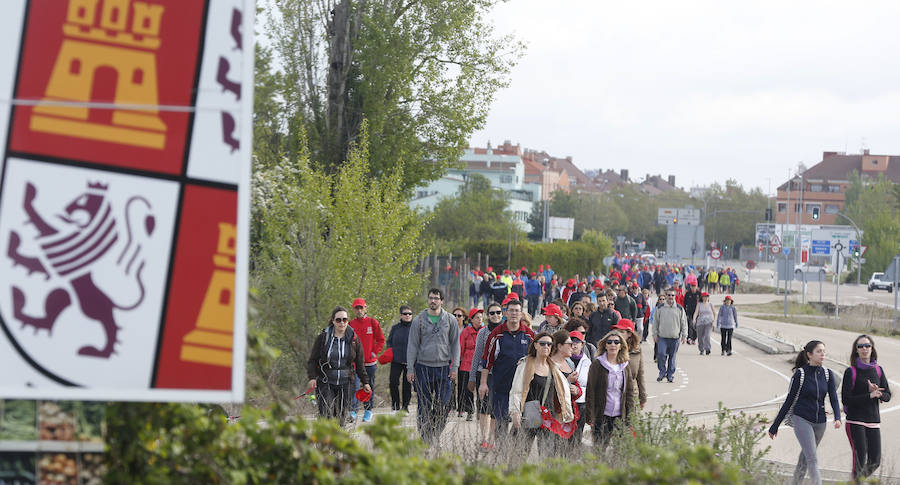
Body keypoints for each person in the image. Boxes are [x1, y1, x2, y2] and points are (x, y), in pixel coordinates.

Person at [768, 340, 842, 485]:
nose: (822, 354)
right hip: (802, 419)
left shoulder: (827, 374)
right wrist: (775, 425)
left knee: (806, 457)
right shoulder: (800, 374)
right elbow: (789, 401)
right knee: (812, 458)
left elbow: (833, 397)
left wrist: (837, 417)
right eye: (818, 351)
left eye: (823, 351)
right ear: (809, 354)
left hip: (821, 422)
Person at [407, 288, 461, 445]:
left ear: (442, 301)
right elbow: (412, 346)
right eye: (430, 298)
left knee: (444, 404)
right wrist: (410, 369)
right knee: (424, 405)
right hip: (423, 367)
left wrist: (454, 367)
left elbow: (455, 345)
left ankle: (434, 431)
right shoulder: (419, 320)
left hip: (444, 368)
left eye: (436, 298)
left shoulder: (450, 320)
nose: (433, 301)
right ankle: (425, 438)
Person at [508, 331, 574, 454]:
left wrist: (567, 415)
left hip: (549, 416)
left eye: (549, 344)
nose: (546, 347)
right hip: (528, 414)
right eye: (542, 343)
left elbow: (563, 394)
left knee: (548, 457)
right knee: (520, 454)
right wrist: (515, 412)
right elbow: (516, 390)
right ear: (535, 345)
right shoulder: (525, 364)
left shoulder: (554, 367)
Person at [480, 299, 534, 443]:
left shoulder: (529, 335)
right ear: (505, 313)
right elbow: (486, 360)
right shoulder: (497, 335)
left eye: (517, 310)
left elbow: (537, 359)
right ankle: (501, 451)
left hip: (523, 389)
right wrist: (483, 383)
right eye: (511, 310)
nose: (514, 313)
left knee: (522, 423)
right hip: (501, 386)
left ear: (521, 313)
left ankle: (516, 452)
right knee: (501, 422)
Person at [307, 307, 370, 423]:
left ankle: (338, 438)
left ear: (348, 320)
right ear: (333, 320)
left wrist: (365, 382)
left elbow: (360, 363)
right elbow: (312, 360)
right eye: (338, 320)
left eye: (345, 320)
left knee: (341, 415)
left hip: (346, 382)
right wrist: (312, 378)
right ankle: (325, 439)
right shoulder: (323, 338)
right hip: (326, 381)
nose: (342, 322)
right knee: (325, 413)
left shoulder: (354, 339)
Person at [841, 334, 891, 482]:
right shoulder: (851, 372)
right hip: (855, 421)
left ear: (872, 348)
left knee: (875, 461)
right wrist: (868, 395)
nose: (864, 349)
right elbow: (846, 399)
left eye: (867, 345)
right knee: (860, 460)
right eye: (860, 346)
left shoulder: (878, 370)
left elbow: (887, 395)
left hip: (873, 420)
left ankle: (855, 482)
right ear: (856, 350)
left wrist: (878, 394)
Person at [586, 330, 636, 448]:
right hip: (602, 414)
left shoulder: (625, 365)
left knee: (619, 449)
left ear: (621, 346)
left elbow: (629, 393)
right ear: (605, 345)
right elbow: (590, 391)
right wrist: (590, 415)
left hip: (620, 415)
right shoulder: (597, 364)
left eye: (616, 342)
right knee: (599, 448)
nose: (613, 345)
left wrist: (631, 416)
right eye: (609, 342)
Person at [468, 302, 503, 449]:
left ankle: (492, 441)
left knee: (496, 409)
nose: (496, 315)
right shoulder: (483, 332)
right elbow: (477, 355)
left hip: (501, 374)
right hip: (484, 374)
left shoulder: (505, 331)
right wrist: (471, 377)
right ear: (488, 316)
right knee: (484, 407)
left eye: (498, 312)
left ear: (502, 314)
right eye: (492, 313)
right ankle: (484, 438)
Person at [349, 298, 385, 423]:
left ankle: (368, 410)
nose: (359, 310)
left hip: (369, 363)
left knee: (368, 387)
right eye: (356, 308)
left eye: (361, 308)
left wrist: (374, 352)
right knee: (353, 386)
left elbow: (381, 340)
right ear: (353, 310)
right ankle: (353, 411)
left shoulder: (372, 322)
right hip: (355, 363)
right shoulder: (350, 324)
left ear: (365, 308)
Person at [652, 290, 687, 383]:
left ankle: (670, 375)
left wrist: (684, 335)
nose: (670, 297)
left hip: (675, 337)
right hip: (662, 337)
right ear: (666, 296)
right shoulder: (660, 308)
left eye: (672, 295)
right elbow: (655, 322)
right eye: (669, 295)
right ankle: (662, 372)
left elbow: (684, 322)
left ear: (675, 296)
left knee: (672, 357)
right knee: (661, 354)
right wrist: (654, 334)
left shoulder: (679, 308)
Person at [613, 319, 647, 410]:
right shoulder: (611, 349)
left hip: (632, 395)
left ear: (629, 334)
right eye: (617, 331)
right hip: (613, 397)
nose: (618, 334)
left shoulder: (637, 351)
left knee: (631, 422)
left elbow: (640, 375)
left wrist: (643, 397)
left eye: (622, 332)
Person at [385, 305, 413, 412]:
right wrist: (390, 351)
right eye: (405, 314)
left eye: (410, 314)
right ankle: (395, 406)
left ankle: (405, 408)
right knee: (393, 382)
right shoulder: (395, 328)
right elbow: (389, 341)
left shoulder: (415, 327)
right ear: (401, 315)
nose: (407, 316)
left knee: (407, 385)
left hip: (410, 361)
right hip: (396, 360)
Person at [458, 308, 483, 421]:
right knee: (468, 390)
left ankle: (481, 410)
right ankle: (470, 411)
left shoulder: (484, 331)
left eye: (481, 317)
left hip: (481, 366)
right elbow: (460, 348)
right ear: (471, 319)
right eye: (477, 317)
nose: (480, 319)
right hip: (466, 365)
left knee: (480, 389)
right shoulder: (466, 332)